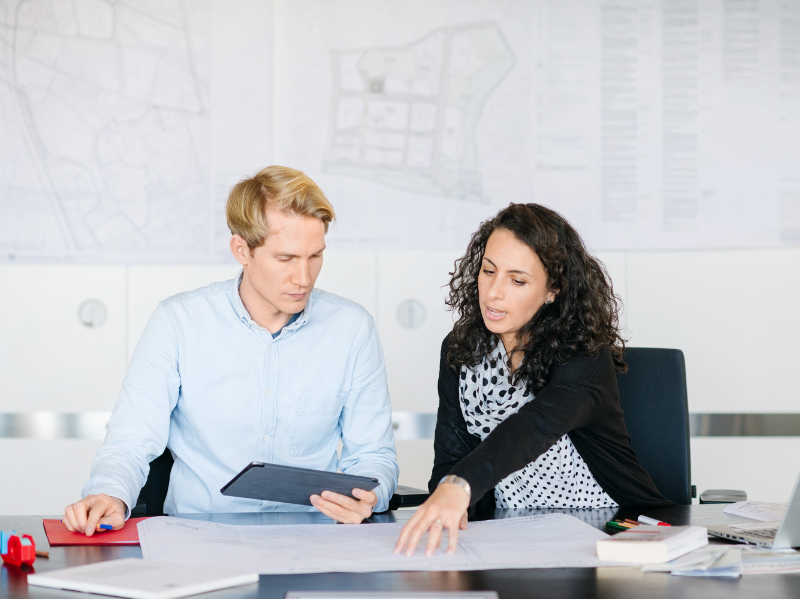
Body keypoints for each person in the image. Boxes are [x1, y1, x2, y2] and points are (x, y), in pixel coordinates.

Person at [63, 166, 398, 536]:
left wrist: (371, 495)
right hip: (198, 539)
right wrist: (109, 494)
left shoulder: (352, 329)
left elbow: (373, 456)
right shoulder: (178, 323)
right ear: (242, 250)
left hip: (313, 539)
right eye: (285, 259)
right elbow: (129, 443)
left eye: (315, 256)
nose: (304, 278)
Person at [395, 203, 671, 557]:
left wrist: (460, 484)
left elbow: (534, 426)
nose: (493, 292)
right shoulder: (461, 348)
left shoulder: (584, 354)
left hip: (606, 528)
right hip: (510, 531)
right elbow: (451, 458)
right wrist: (447, 502)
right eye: (488, 271)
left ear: (553, 289)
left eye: (517, 280)